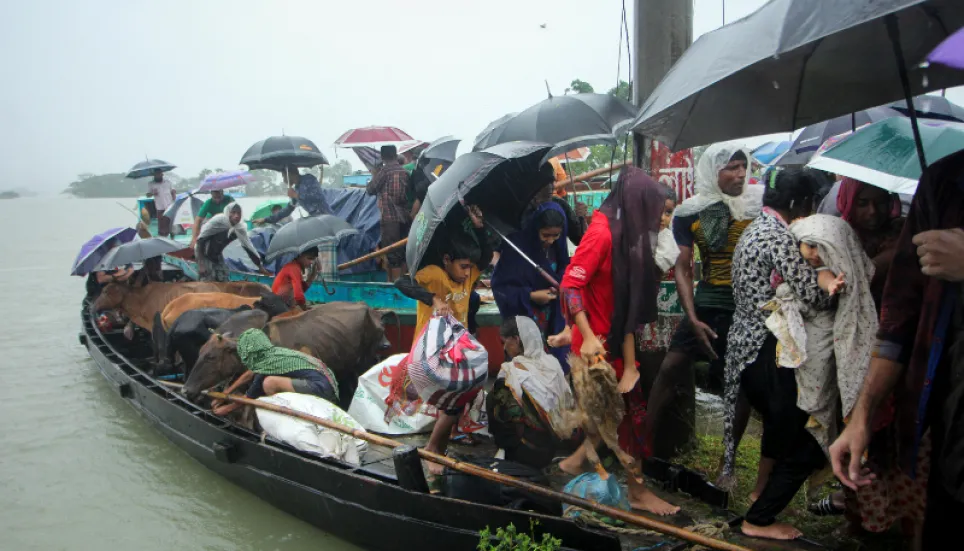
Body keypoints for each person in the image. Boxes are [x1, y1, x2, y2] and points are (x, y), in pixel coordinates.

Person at [830, 150, 964, 548]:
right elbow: (899, 320)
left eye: (877, 202)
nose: (870, 212)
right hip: (948, 424)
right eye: (862, 202)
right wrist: (862, 416)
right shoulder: (946, 182)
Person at [557, 165, 680, 516]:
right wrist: (588, 336)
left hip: (615, 336)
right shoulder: (602, 234)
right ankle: (638, 493)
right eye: (656, 211)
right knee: (631, 416)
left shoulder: (627, 232)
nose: (661, 219)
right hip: (596, 345)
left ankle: (574, 463)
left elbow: (627, 299)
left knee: (608, 413)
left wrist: (629, 361)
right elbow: (570, 285)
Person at [721, 168, 836, 540]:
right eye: (807, 204)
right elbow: (812, 293)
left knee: (778, 421)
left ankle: (760, 494)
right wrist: (833, 281)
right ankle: (762, 514)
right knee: (798, 428)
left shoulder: (754, 229)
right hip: (765, 346)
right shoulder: (779, 237)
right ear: (796, 204)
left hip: (743, 345)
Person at [393, 205, 494, 472]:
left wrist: (480, 228)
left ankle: (447, 438)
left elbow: (484, 257)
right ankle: (432, 449)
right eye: (462, 266)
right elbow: (401, 283)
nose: (466, 273)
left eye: (469, 268)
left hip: (455, 350)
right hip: (428, 353)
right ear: (447, 260)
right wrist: (433, 298)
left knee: (466, 390)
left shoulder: (469, 274)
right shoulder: (434, 275)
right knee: (456, 399)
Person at [486, 316, 575, 469]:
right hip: (552, 448)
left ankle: (511, 455)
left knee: (494, 396)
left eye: (504, 342)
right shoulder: (552, 363)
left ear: (516, 339)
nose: (503, 348)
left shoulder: (511, 372)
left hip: (527, 452)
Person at [491, 201, 570, 368]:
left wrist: (562, 285)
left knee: (554, 367)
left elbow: (565, 270)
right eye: (545, 235)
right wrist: (530, 295)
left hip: (554, 320)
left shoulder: (559, 248)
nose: (550, 240)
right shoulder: (517, 248)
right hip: (527, 319)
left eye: (556, 235)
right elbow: (500, 286)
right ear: (536, 229)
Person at [211, 328, 339, 416]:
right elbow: (250, 373)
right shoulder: (272, 353)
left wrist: (225, 409)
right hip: (327, 381)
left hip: (321, 388)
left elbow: (250, 397)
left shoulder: (267, 365)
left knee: (269, 383)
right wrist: (225, 393)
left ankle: (284, 415)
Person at [637, 185, 681, 353]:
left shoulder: (670, 239)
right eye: (657, 211)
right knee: (646, 352)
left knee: (668, 350)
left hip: (668, 306)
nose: (662, 218)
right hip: (645, 307)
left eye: (668, 213)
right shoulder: (638, 238)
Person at [367, 145, 412, 281]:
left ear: (382, 157)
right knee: (403, 253)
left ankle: (395, 288)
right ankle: (405, 284)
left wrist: (374, 174)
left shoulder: (384, 172)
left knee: (392, 254)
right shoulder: (404, 172)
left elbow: (370, 189)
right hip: (405, 218)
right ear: (395, 154)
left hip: (389, 218)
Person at [195, 202, 269, 282]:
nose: (236, 216)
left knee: (223, 279)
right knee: (207, 279)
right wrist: (201, 264)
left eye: (239, 213)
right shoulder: (219, 220)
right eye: (233, 212)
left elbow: (248, 247)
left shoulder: (240, 227)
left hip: (218, 254)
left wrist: (260, 266)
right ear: (227, 212)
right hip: (203, 251)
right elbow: (200, 240)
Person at [254, 166, 332, 225]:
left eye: (284, 177)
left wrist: (297, 195)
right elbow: (288, 209)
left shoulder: (309, 179)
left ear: (290, 175)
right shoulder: (296, 188)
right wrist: (266, 219)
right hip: (316, 221)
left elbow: (318, 196)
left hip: (327, 218)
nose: (284, 180)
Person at [147, 168, 177, 238]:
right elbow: (148, 195)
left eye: (159, 174)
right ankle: (163, 239)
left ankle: (173, 239)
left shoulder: (168, 182)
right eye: (156, 174)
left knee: (171, 224)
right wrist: (152, 193)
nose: (157, 175)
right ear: (154, 175)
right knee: (162, 226)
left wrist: (175, 201)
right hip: (159, 207)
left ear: (162, 174)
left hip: (170, 206)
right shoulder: (151, 184)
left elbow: (173, 192)